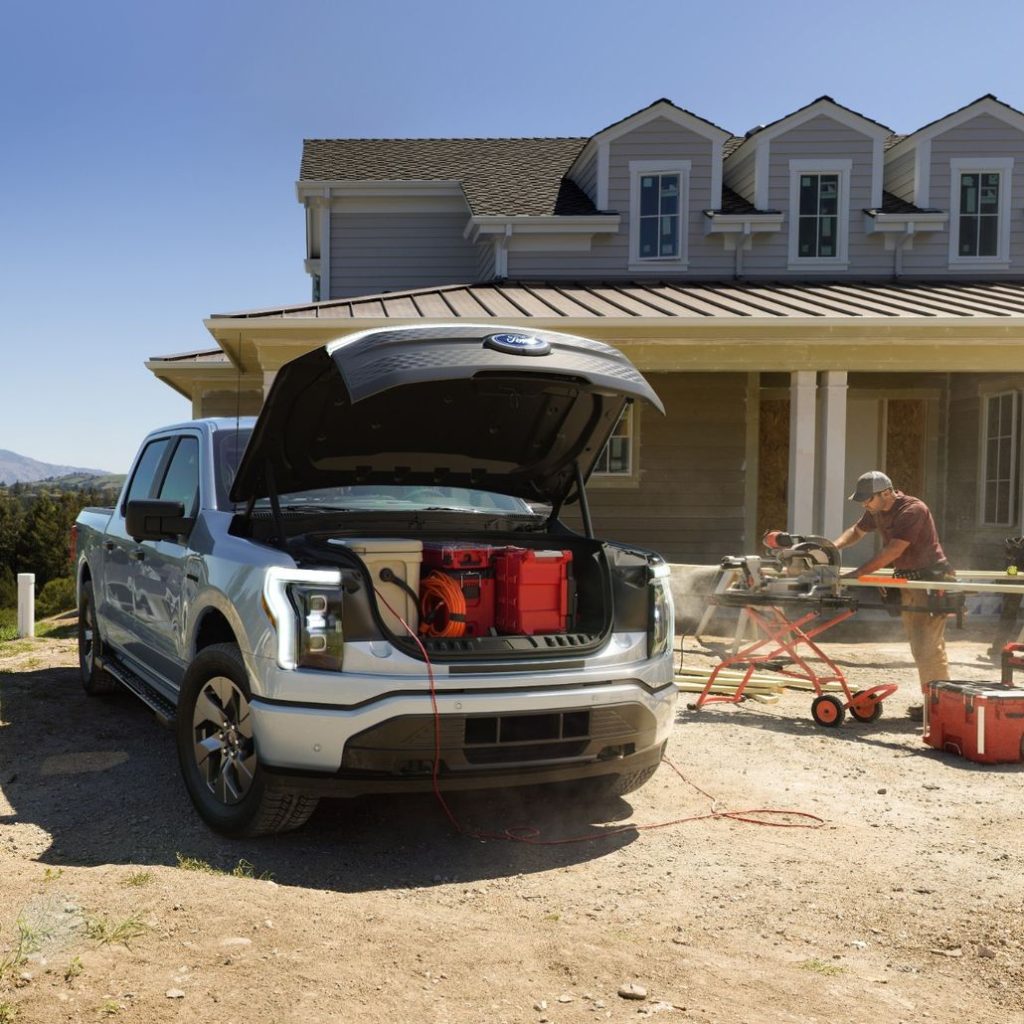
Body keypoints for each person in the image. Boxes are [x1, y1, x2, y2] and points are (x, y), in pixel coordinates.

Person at [832, 471, 955, 719]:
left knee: (928, 645)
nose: (865, 504)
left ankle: (940, 706)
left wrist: (860, 573)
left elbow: (893, 550)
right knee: (919, 644)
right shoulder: (877, 510)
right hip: (910, 579)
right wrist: (832, 547)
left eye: (868, 500)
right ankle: (934, 702)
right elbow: (856, 531)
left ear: (886, 493)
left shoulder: (913, 510)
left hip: (931, 580)